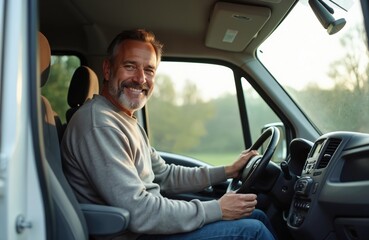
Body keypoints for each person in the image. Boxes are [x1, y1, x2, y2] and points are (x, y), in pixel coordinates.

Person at [61, 29, 276, 240]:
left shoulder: (123, 119)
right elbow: (140, 212)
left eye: (149, 70)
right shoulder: (99, 125)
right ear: (107, 70)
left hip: (145, 229)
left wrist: (228, 171)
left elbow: (164, 175)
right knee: (253, 231)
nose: (140, 79)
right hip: (136, 234)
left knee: (255, 215)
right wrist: (217, 208)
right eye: (130, 66)